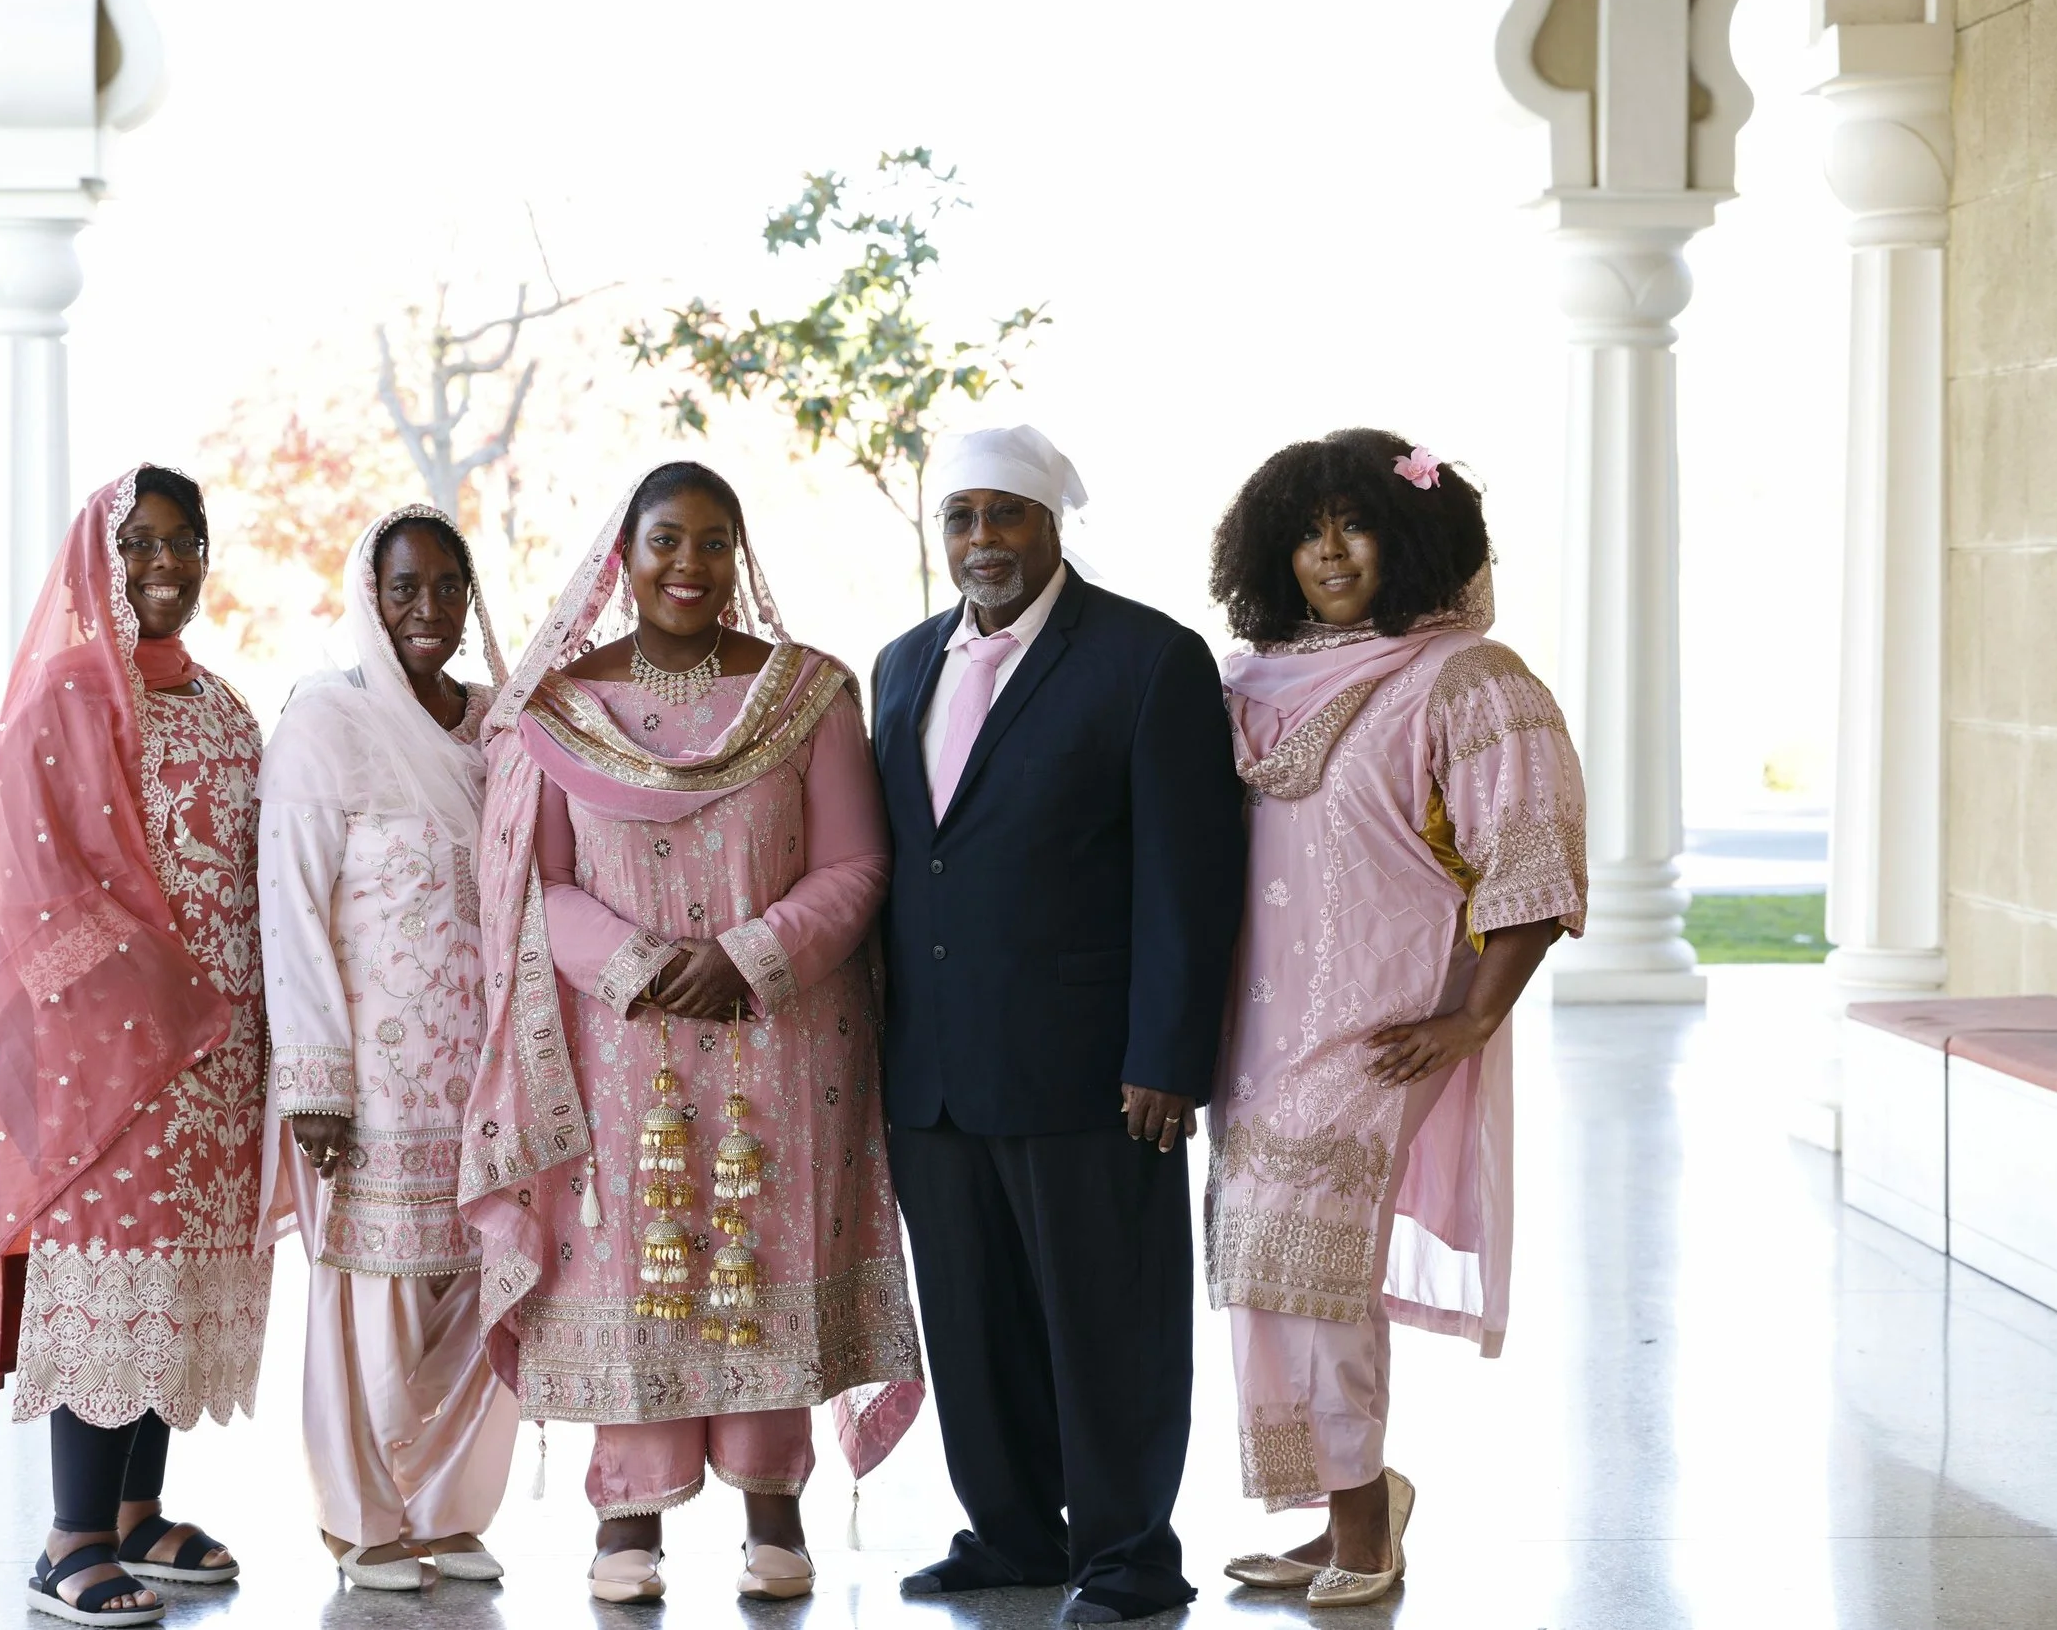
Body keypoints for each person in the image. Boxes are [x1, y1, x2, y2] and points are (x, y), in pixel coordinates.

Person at [460, 461, 924, 1605]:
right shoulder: (559, 708)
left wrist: (753, 954)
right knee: (630, 1248)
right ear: (626, 555)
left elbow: (857, 861)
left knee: (767, 1237)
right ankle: (629, 1520)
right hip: (623, 1040)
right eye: (667, 539)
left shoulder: (807, 693)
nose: (690, 564)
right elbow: (536, 879)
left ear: (740, 556)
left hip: (781, 1027)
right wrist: (637, 965)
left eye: (715, 541)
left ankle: (775, 1509)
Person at [870, 425, 1246, 1624]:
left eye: (1005, 516)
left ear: (1052, 522)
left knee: (1110, 1321)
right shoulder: (900, 663)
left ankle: (1129, 1551)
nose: (982, 540)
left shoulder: (1147, 658)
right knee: (974, 1318)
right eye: (962, 519)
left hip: (1093, 1070)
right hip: (931, 1069)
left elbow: (1189, 878)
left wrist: (1166, 1057)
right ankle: (1014, 1531)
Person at [1206, 429, 1586, 1608]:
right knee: (1262, 1263)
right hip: (1253, 1025)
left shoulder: (1466, 677)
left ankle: (1367, 1519)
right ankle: (1342, 1511)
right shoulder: (1246, 679)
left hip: (1379, 1019)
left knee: (1317, 1260)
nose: (1328, 550)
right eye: (1307, 529)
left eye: (1355, 524)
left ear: (1412, 538)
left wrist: (1473, 1018)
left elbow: (1532, 851)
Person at [0, 466, 271, 1626]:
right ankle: (69, 1535)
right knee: (110, 1277)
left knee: (176, 1283)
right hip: (110, 1061)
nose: (166, 565)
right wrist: (158, 1002)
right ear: (98, 555)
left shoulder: (223, 703)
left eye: (186, 541)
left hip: (220, 1060)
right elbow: (31, 888)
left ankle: (136, 1514)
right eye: (141, 543)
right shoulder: (66, 695)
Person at [256, 505, 520, 1591]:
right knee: (373, 1289)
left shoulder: (497, 722)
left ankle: (449, 1511)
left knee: (484, 1280)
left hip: (490, 1068)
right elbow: (290, 899)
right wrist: (313, 1077)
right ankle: (365, 1518)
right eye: (402, 586)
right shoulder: (327, 720)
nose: (426, 608)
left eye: (445, 586)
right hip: (373, 1073)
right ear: (369, 594)